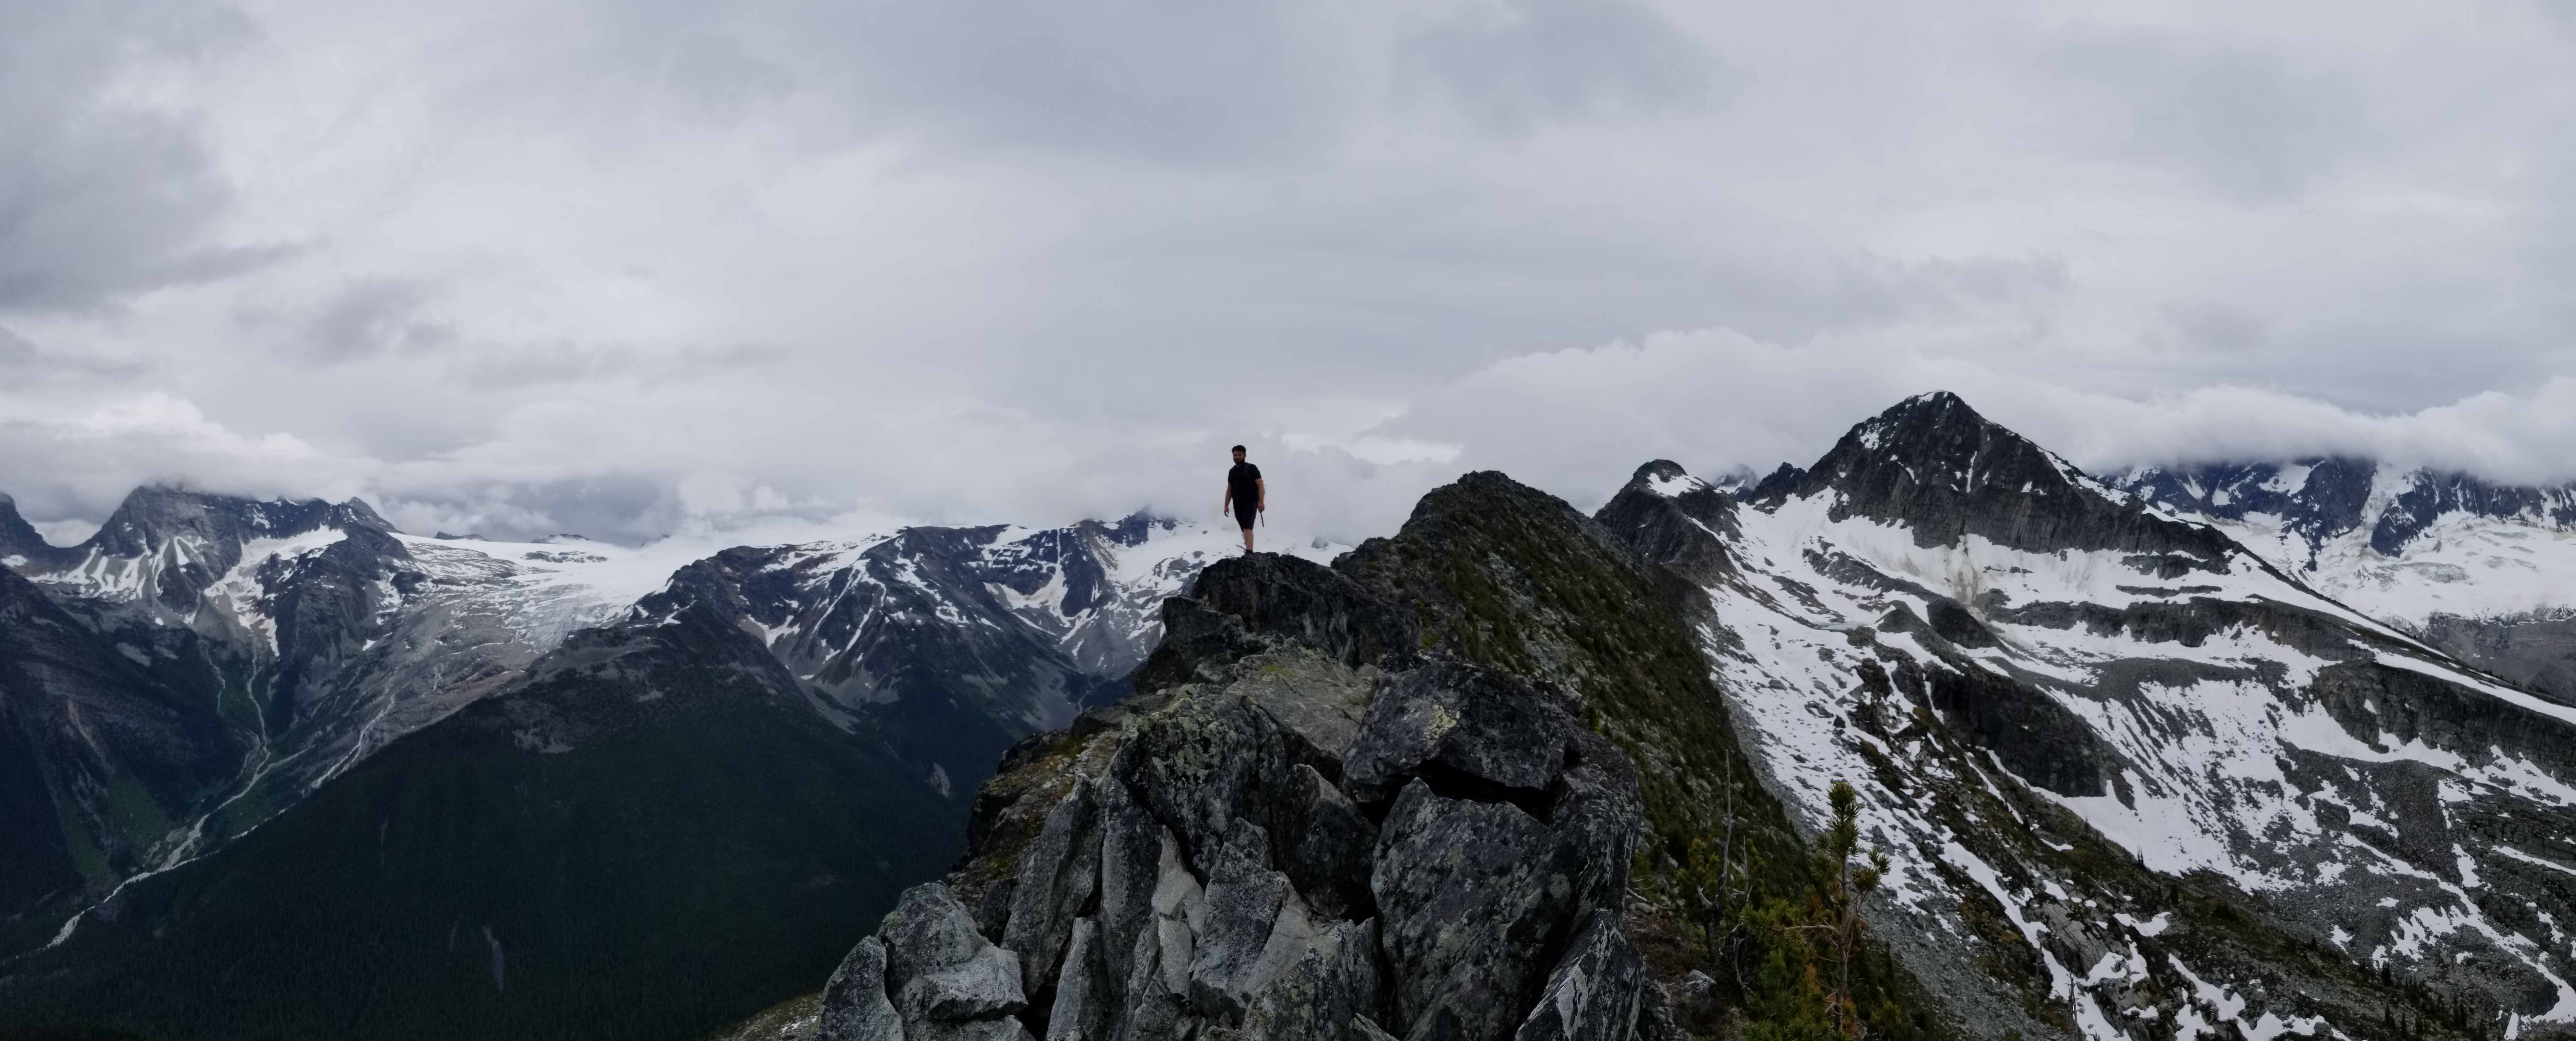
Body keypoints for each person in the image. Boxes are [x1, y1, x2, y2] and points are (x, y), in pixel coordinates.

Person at [1222, 445, 1264, 553]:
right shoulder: (1232, 471)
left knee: (1247, 526)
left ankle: (1250, 552)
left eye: (1240, 455)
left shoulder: (1251, 468)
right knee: (1244, 529)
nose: (1237, 457)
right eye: (1235, 455)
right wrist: (1226, 505)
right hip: (1237, 504)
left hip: (1250, 502)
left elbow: (1260, 485)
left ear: (1245, 455)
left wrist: (1261, 502)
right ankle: (1249, 550)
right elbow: (1229, 490)